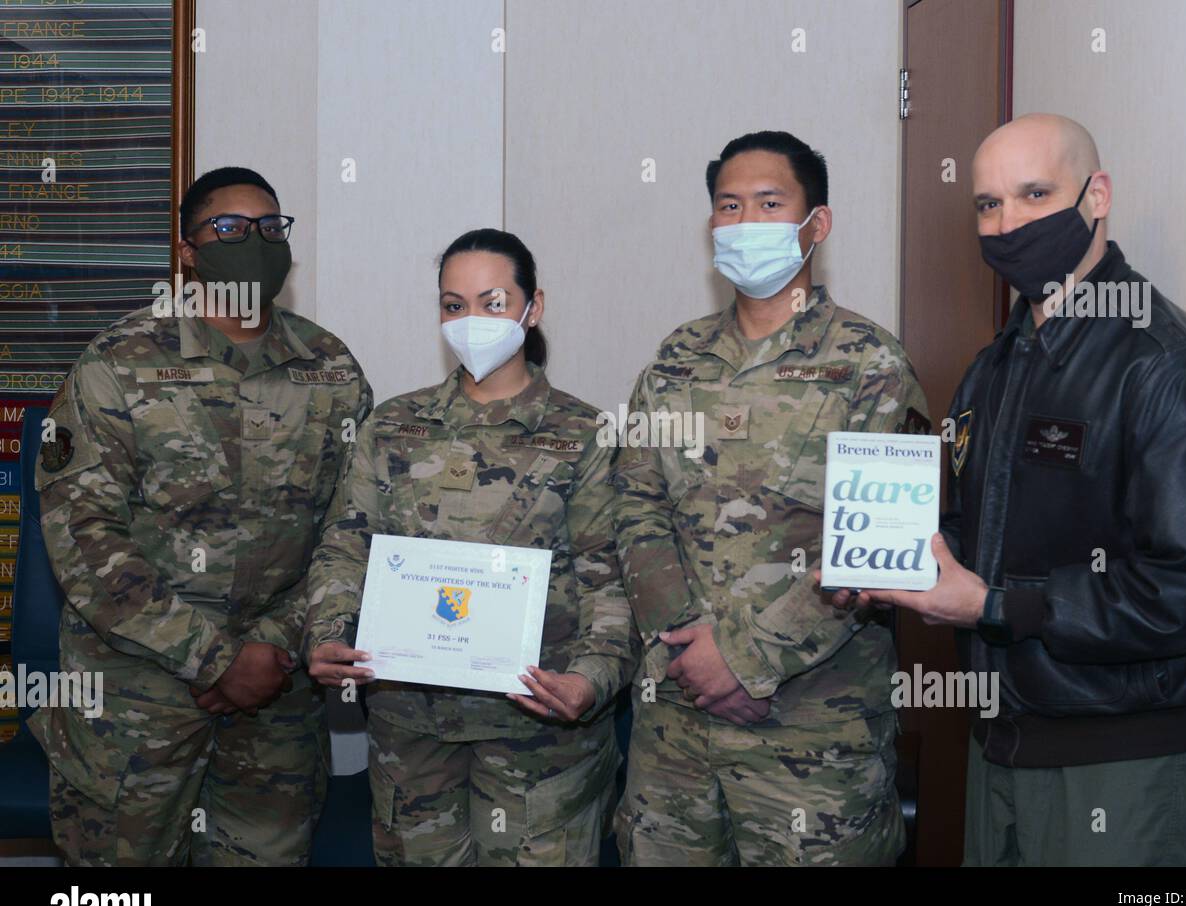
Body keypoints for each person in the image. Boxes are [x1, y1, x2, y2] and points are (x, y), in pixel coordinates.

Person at [833, 114, 1186, 866]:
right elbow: (971, 529)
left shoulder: (1171, 367)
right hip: (1002, 742)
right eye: (988, 205)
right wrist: (896, 568)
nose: (1008, 223)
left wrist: (995, 605)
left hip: (1120, 758)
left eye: (1034, 193)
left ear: (1097, 196)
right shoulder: (992, 369)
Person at [32, 166, 373, 865]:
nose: (253, 241)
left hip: (277, 698)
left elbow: (354, 531)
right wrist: (215, 660)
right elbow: (83, 537)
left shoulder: (331, 368)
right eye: (229, 228)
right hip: (137, 702)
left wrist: (270, 649)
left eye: (269, 228)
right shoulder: (117, 365)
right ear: (187, 250)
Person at [612, 131, 930, 866]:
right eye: (729, 206)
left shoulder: (871, 365)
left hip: (815, 734)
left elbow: (881, 547)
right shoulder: (674, 362)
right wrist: (689, 645)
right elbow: (633, 505)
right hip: (675, 729)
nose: (746, 222)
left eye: (769, 203)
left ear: (816, 224)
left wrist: (747, 659)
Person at [303, 228, 636, 866]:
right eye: (453, 306)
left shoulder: (585, 433)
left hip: (539, 732)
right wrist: (326, 631)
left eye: (492, 302)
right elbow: (346, 545)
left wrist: (591, 682)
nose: (471, 321)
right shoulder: (394, 426)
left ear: (532, 308)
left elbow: (611, 579)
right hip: (411, 727)